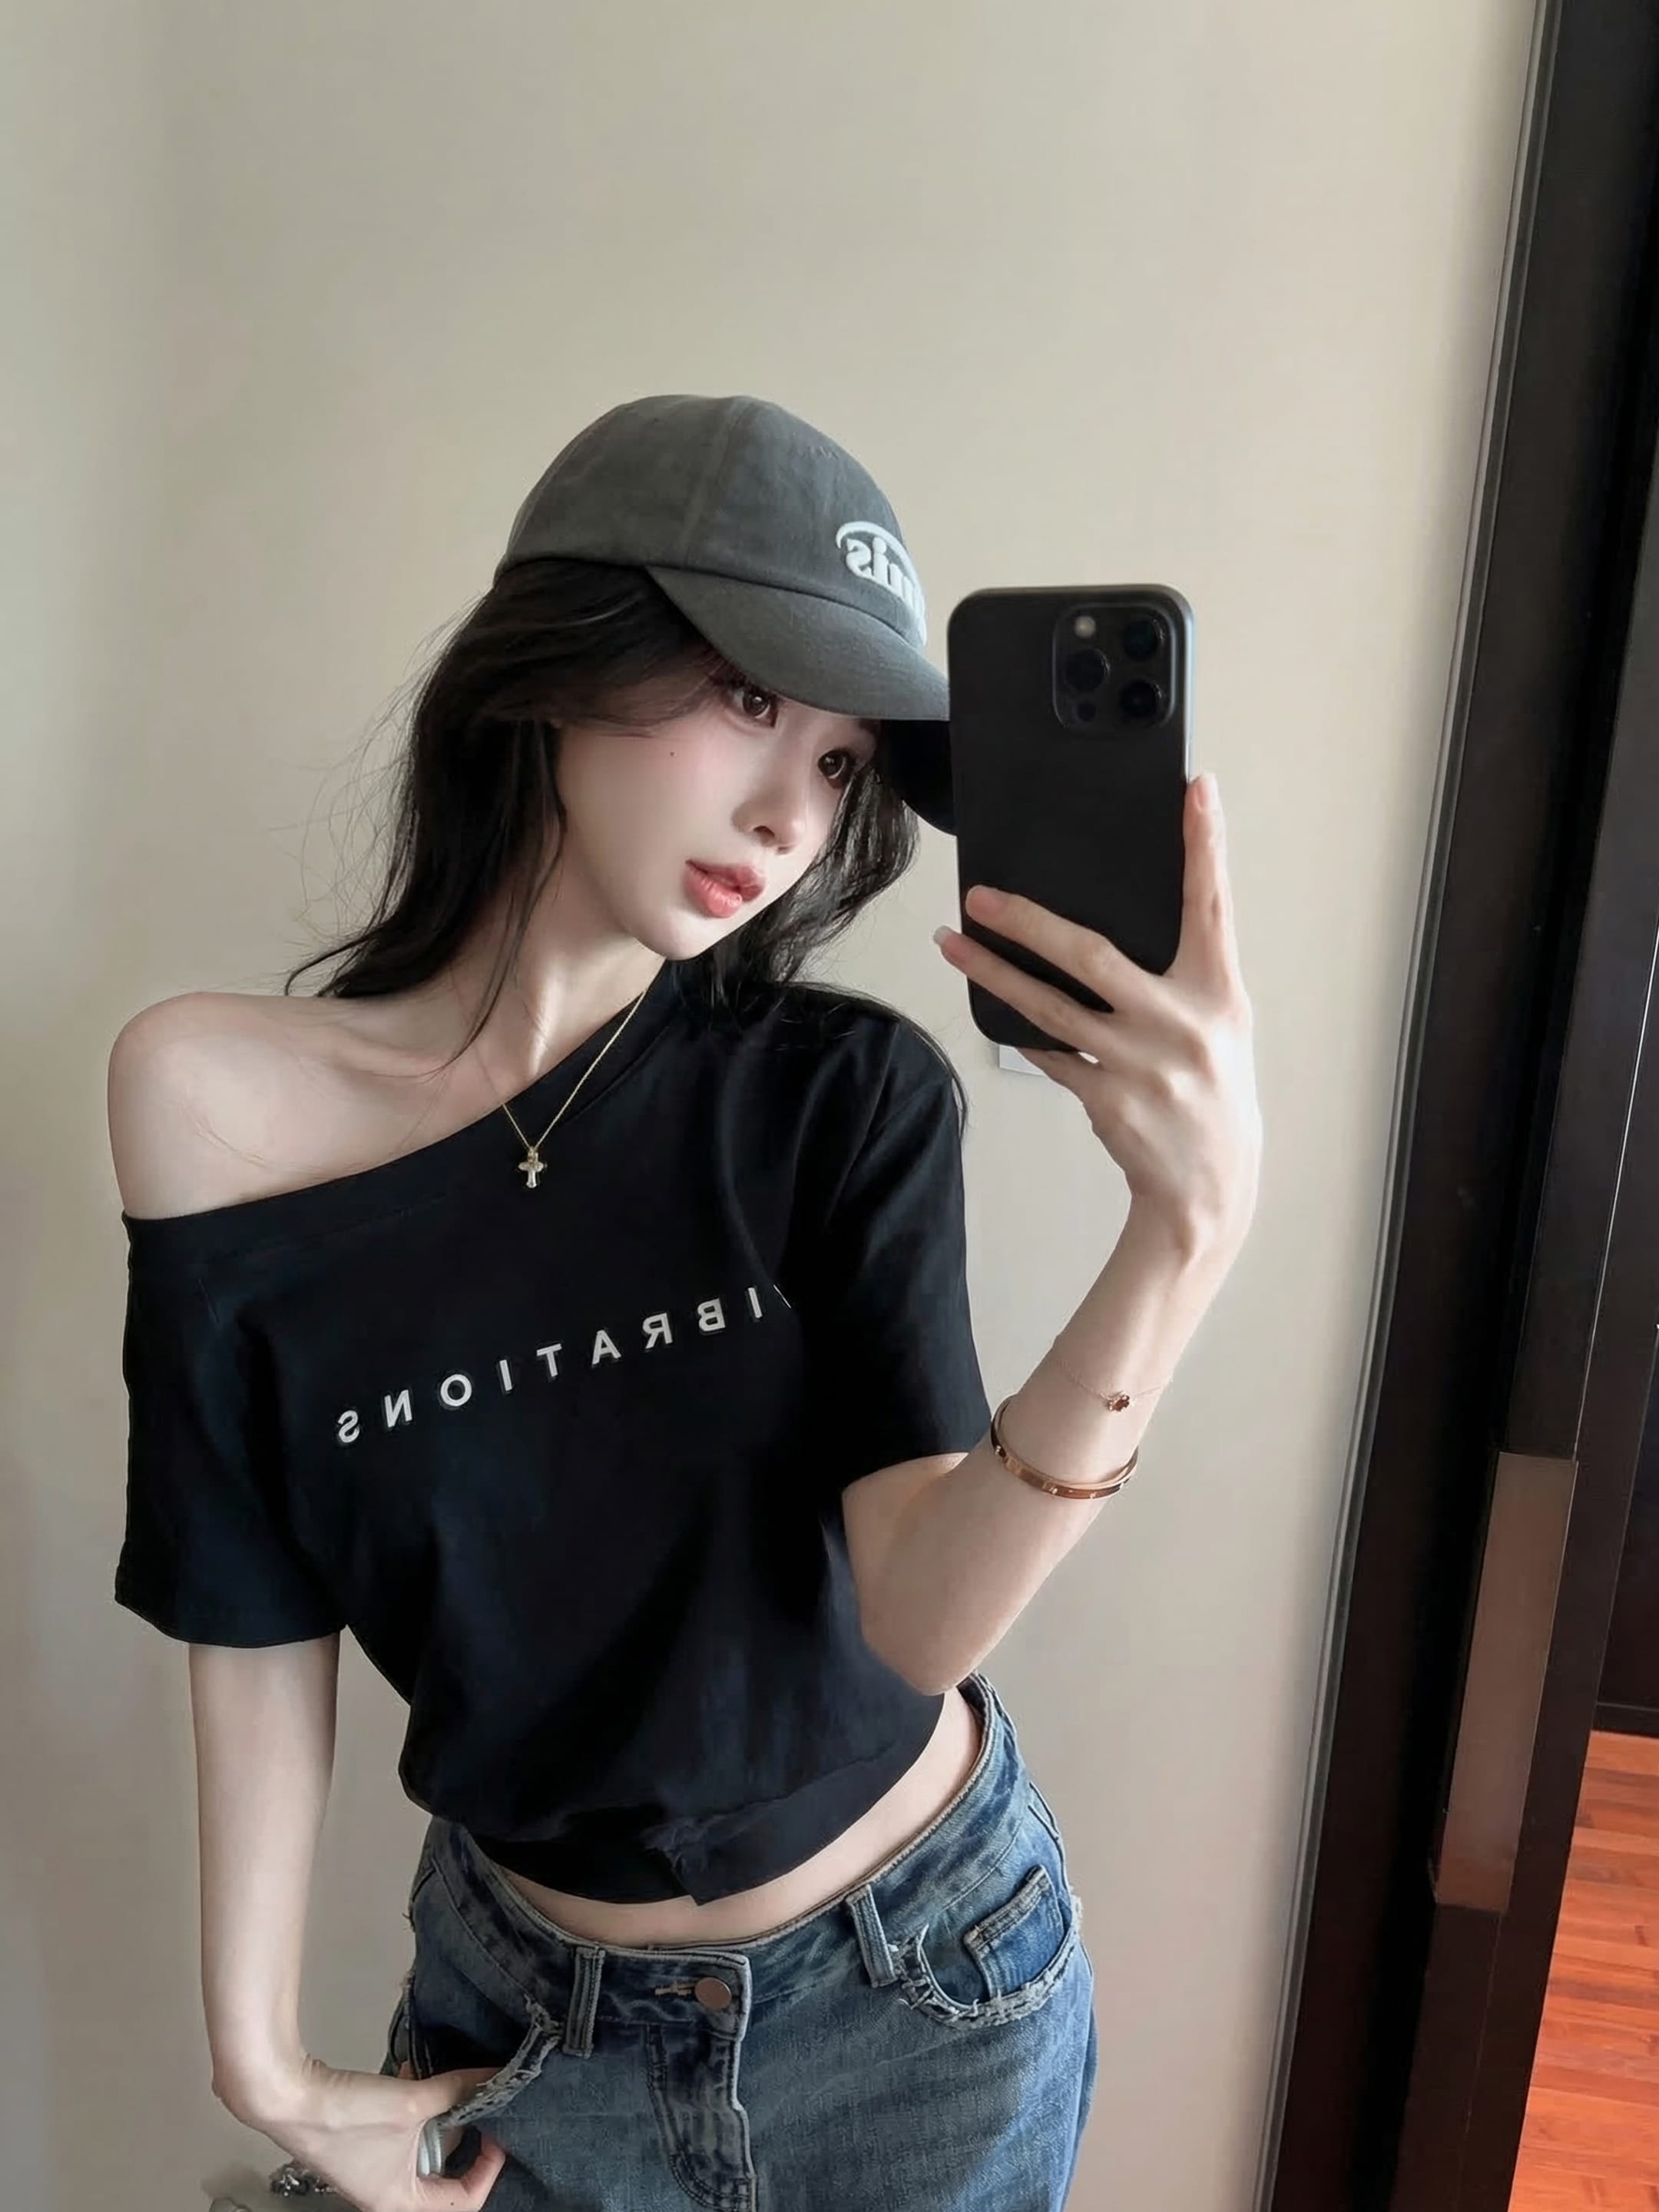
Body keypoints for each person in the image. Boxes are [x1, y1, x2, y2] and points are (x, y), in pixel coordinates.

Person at [108, 394, 1261, 2212]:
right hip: (521, 2029)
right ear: (562, 660)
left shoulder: (841, 1104)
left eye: (844, 764)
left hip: (918, 2010)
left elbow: (919, 1618)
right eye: (745, 699)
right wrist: (260, 2062)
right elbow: (246, 1592)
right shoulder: (211, 1103)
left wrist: (1184, 1236)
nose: (791, 813)